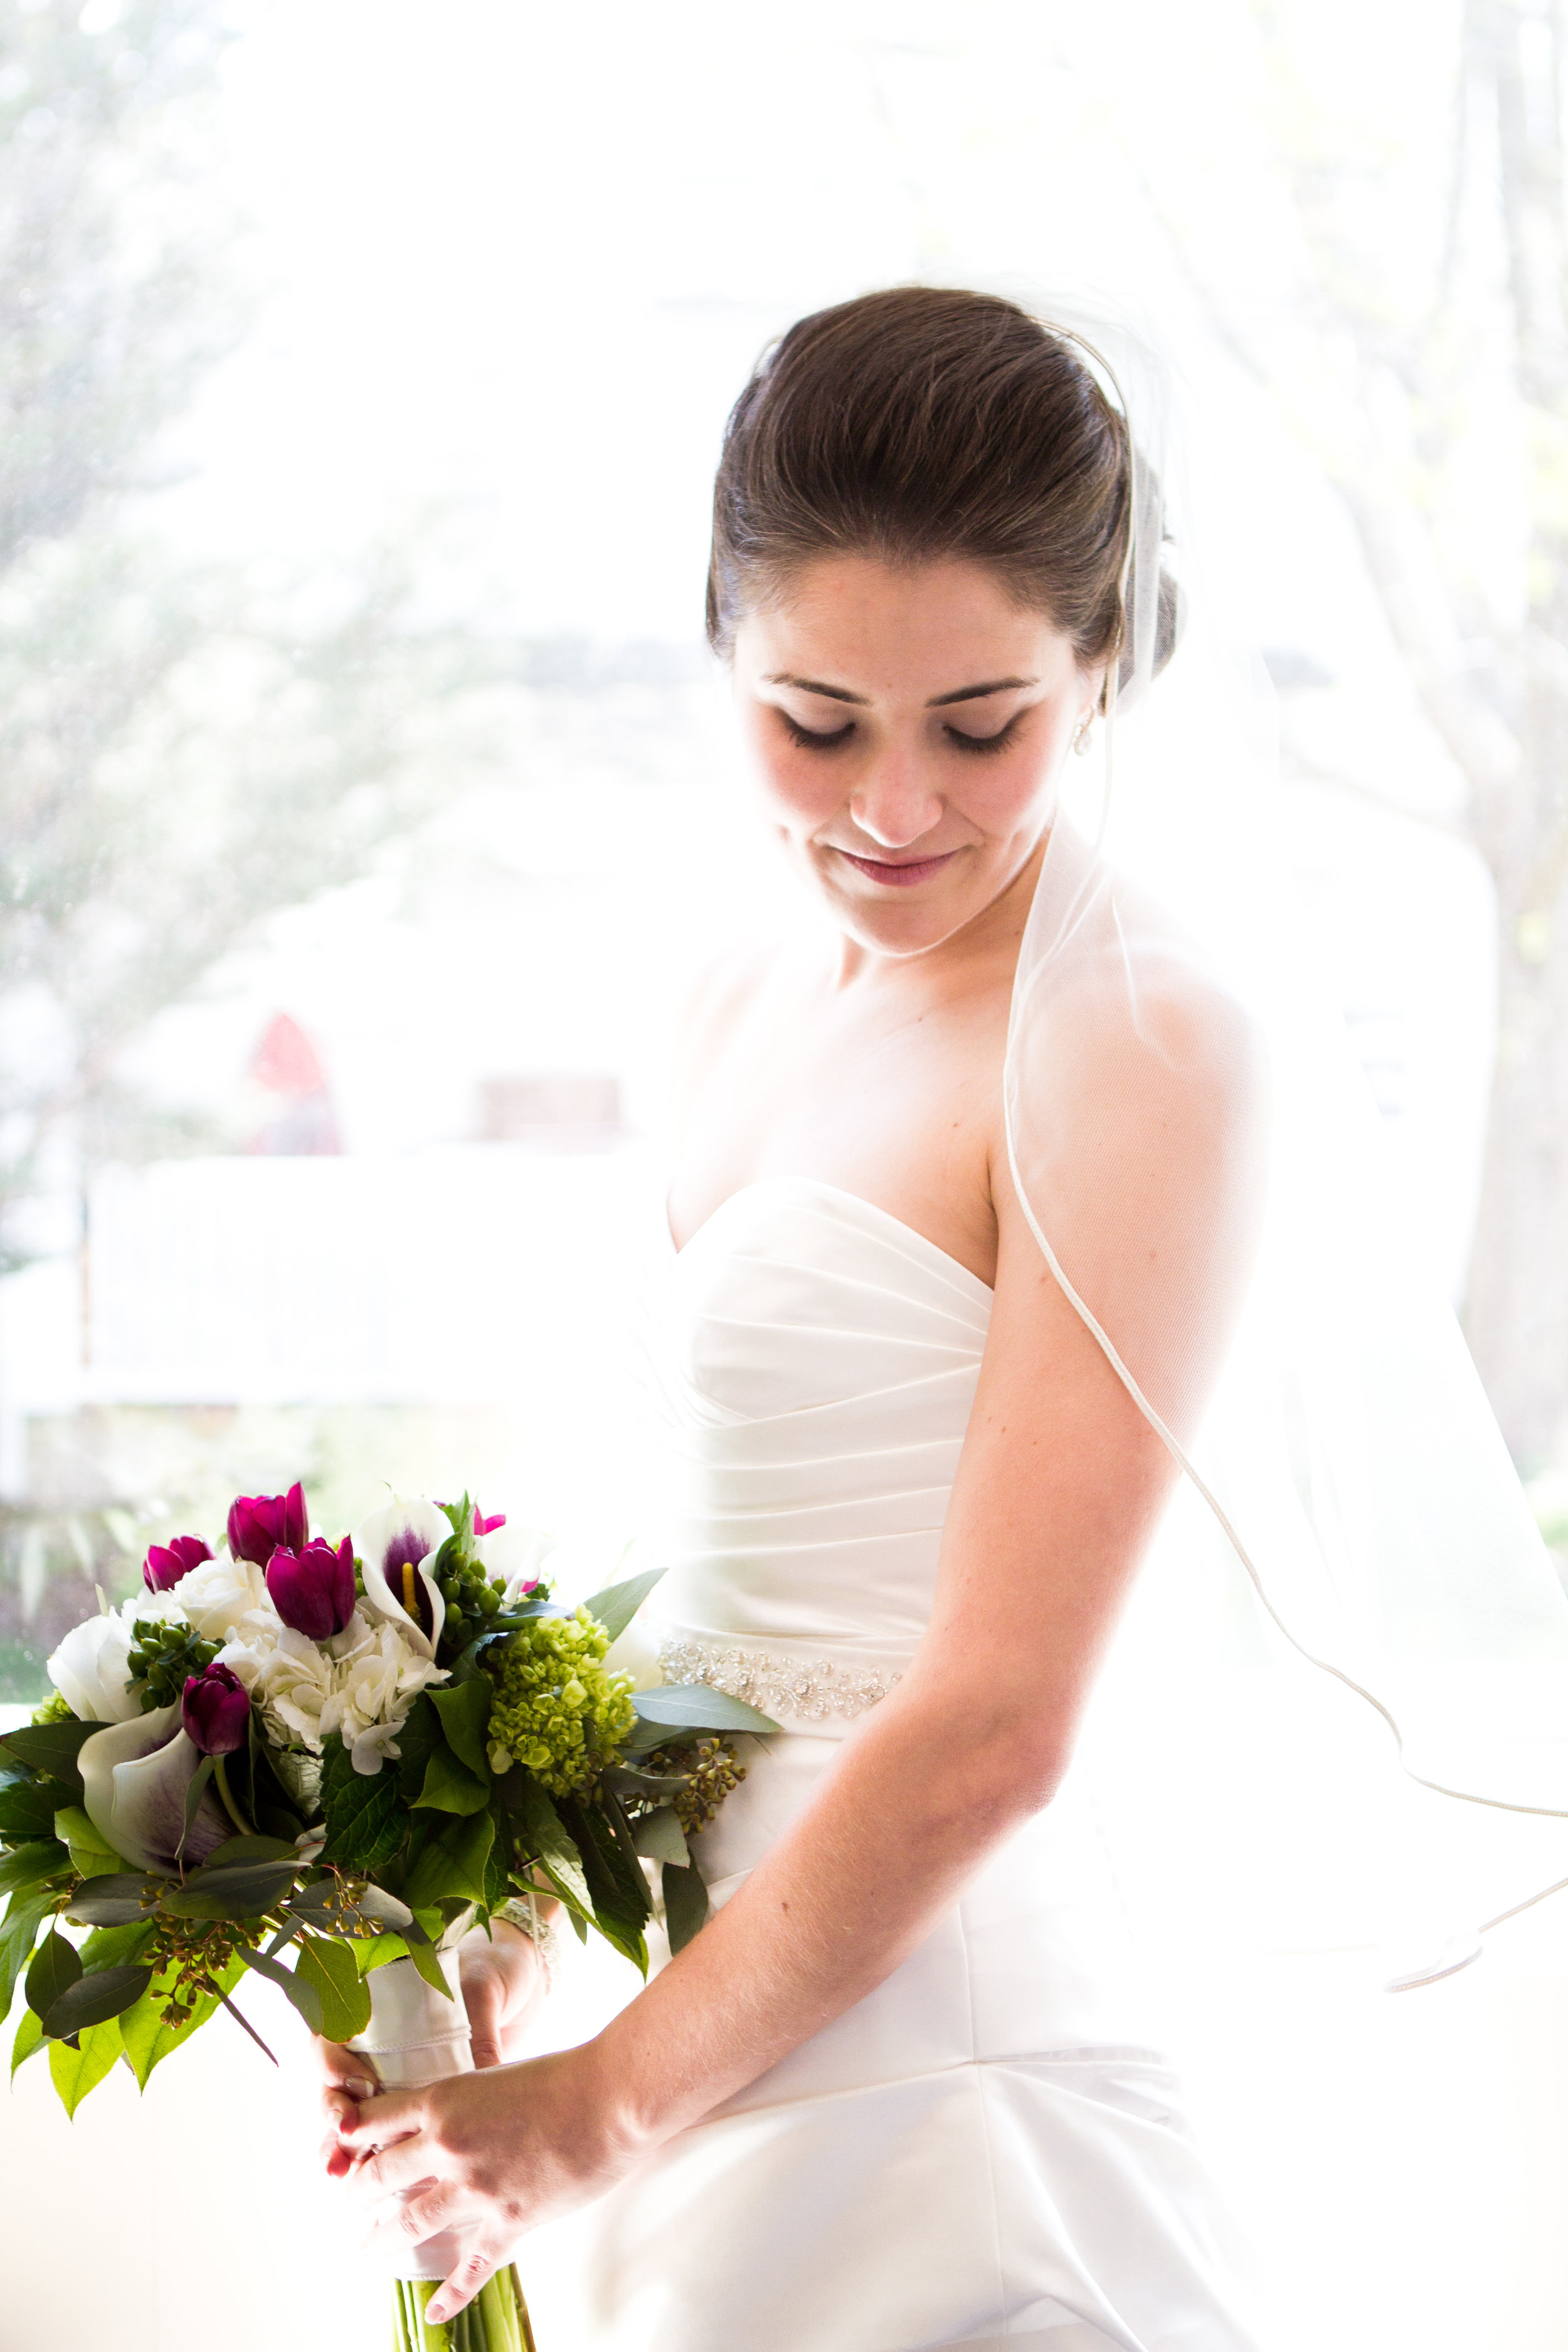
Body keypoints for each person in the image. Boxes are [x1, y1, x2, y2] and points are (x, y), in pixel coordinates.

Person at [317, 286, 1275, 2351]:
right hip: (694, 2052)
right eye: (817, 720)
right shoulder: (724, 999)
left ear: (1100, 669)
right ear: (719, 650)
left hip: (938, 2078)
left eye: (983, 724)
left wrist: (597, 2112)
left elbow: (999, 1724)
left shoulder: (1131, 1039)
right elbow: (722, 1582)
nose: (895, 808)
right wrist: (513, 1914)